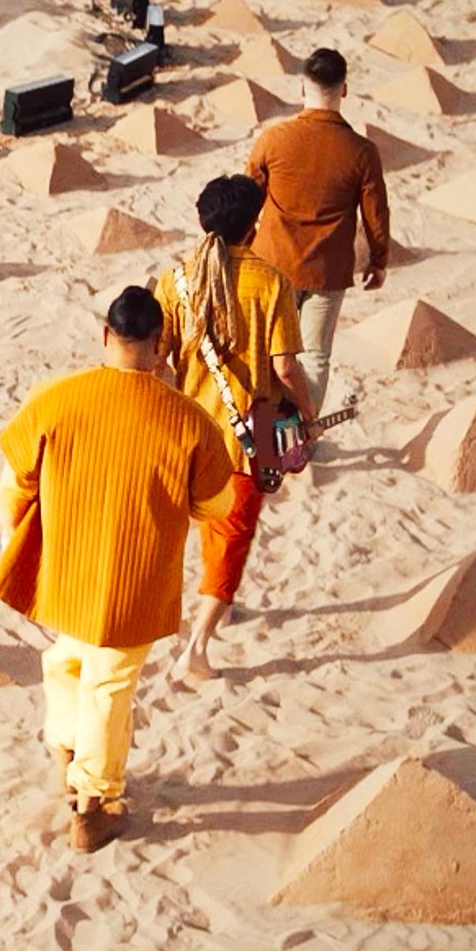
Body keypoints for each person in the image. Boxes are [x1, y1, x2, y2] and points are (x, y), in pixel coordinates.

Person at [0, 286, 241, 853]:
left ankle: (65, 747)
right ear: (160, 348)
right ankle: (95, 802)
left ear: (106, 335)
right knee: (110, 683)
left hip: (66, 567)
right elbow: (217, 505)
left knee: (70, 656)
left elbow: (15, 478)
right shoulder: (188, 421)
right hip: (136, 574)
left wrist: (15, 539)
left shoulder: (58, 399)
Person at [154, 175, 310, 686]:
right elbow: (285, 368)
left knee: (200, 529)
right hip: (242, 440)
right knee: (231, 541)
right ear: (254, 225)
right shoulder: (271, 283)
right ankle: (197, 648)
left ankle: (202, 615)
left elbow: (159, 361)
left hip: (186, 434)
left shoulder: (175, 281)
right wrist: (306, 414)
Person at [244, 47, 388, 413]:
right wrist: (378, 260)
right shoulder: (362, 151)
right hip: (327, 272)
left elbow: (247, 199)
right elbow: (376, 214)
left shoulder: (273, 140)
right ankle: (304, 433)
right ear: (344, 91)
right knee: (315, 358)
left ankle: (263, 432)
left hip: (273, 266)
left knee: (266, 352)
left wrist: (243, 246)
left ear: (302, 88)